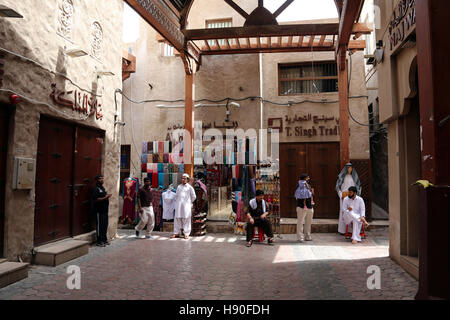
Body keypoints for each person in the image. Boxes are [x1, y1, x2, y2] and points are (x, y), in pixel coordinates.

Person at [336, 163, 362, 234]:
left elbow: (358, 186)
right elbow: (338, 187)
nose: (349, 169)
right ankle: (342, 230)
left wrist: (357, 194)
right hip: (344, 196)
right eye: (348, 168)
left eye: (350, 168)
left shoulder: (355, 177)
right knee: (344, 212)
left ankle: (352, 230)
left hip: (353, 196)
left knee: (353, 211)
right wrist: (341, 195)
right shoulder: (342, 177)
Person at [171, 174, 197, 239]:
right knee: (177, 218)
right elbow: (176, 196)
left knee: (186, 219)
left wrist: (189, 202)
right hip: (179, 205)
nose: (183, 180)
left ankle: (186, 233)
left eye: (185, 178)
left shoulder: (190, 187)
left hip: (186, 206)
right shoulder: (179, 187)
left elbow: (194, 196)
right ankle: (176, 233)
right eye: (182, 178)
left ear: (187, 179)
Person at [92, 174, 111, 247]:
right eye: (100, 179)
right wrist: (105, 197)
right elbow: (95, 199)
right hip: (99, 211)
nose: (102, 180)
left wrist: (107, 196)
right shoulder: (95, 189)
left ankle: (104, 239)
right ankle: (99, 241)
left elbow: (103, 195)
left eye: (102, 178)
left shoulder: (102, 188)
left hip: (105, 211)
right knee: (100, 226)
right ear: (96, 180)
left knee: (104, 225)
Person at [294, 173, 314, 242]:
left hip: (309, 206)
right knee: (300, 222)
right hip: (301, 207)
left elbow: (311, 194)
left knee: (308, 222)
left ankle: (307, 236)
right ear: (304, 178)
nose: (308, 179)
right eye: (307, 178)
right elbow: (298, 195)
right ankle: (300, 237)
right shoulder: (298, 185)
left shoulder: (308, 185)